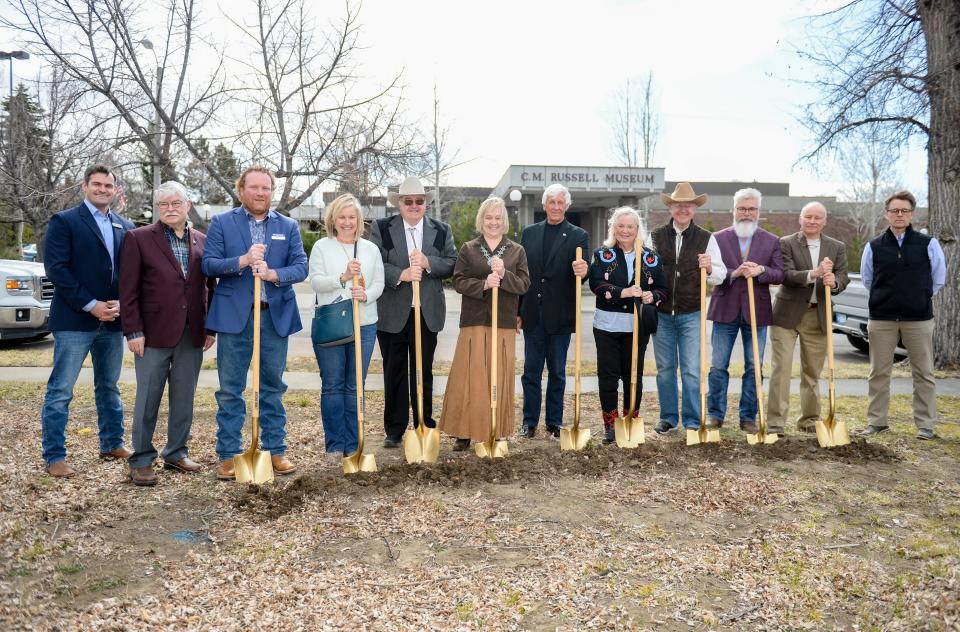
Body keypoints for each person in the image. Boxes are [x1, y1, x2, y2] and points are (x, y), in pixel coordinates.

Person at [202, 166, 308, 480]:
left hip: (273, 317)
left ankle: (275, 450)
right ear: (242, 190)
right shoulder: (222, 222)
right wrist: (243, 261)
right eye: (254, 187)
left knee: (273, 386)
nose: (261, 193)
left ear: (271, 192)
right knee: (231, 389)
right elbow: (208, 264)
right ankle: (229, 453)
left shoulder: (287, 226)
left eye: (266, 188)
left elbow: (301, 267)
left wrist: (275, 274)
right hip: (236, 318)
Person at [118, 181, 217, 486]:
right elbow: (128, 290)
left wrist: (210, 328)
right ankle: (142, 459)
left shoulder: (202, 240)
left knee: (184, 397)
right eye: (164, 204)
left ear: (188, 205)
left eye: (176, 203)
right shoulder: (138, 239)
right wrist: (133, 331)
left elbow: (210, 287)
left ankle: (176, 452)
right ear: (157, 208)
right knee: (148, 398)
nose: (170, 209)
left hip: (192, 333)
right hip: (151, 333)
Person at [40, 165, 135, 478]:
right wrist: (91, 305)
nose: (103, 190)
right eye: (97, 184)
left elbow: (130, 272)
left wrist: (122, 301)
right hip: (74, 321)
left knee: (109, 387)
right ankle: (54, 456)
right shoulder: (64, 221)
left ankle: (112, 443)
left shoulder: (125, 225)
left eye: (108, 185)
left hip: (113, 321)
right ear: (85, 186)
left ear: (115, 190)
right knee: (61, 391)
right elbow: (57, 269)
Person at [369, 176, 457, 448]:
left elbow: (453, 263)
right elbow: (375, 264)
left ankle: (424, 422)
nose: (414, 205)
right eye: (408, 201)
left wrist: (429, 262)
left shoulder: (441, 230)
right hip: (393, 311)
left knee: (423, 370)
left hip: (426, 311)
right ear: (400, 204)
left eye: (419, 201)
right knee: (394, 370)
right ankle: (394, 429)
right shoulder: (382, 229)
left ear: (425, 204)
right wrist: (402, 274)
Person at [439, 197, 530, 450]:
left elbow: (524, 284)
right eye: (489, 217)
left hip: (503, 321)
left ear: (504, 222)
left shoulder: (516, 251)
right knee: (470, 375)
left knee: (499, 375)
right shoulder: (469, 249)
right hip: (474, 320)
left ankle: (496, 429)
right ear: (482, 220)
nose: (493, 222)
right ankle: (464, 431)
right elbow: (458, 281)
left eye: (498, 218)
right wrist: (483, 285)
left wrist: (503, 275)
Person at [859, 191, 946, 440]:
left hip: (918, 319)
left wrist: (917, 297)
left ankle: (926, 425)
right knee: (878, 372)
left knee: (924, 373)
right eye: (894, 210)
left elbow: (938, 279)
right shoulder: (874, 246)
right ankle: (877, 422)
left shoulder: (928, 244)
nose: (899, 215)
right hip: (882, 318)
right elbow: (868, 279)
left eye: (904, 211)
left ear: (912, 214)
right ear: (887, 214)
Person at [308, 194, 384, 463]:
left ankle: (354, 444)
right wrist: (342, 277)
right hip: (331, 323)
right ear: (333, 219)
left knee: (355, 387)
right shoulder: (321, 247)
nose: (347, 222)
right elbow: (316, 282)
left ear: (359, 220)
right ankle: (334, 445)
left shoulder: (370, 249)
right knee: (332, 386)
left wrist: (366, 294)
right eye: (342, 216)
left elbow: (379, 283)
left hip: (363, 324)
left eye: (352, 217)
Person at [705, 187, 785, 433]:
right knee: (718, 366)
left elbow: (780, 273)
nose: (746, 213)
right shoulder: (717, 238)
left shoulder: (771, 241)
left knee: (754, 367)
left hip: (756, 313)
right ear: (734, 210)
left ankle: (748, 417)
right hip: (725, 310)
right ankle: (715, 414)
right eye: (742, 208)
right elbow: (711, 274)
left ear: (759, 212)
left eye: (751, 208)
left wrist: (761, 270)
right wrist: (734, 273)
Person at [766, 202, 849, 436]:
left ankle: (809, 420)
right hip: (787, 315)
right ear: (800, 219)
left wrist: (835, 282)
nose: (812, 221)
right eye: (808, 217)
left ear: (824, 221)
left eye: (817, 218)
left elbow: (843, 276)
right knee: (780, 370)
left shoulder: (837, 246)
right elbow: (786, 274)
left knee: (812, 372)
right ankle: (775, 422)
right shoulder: (786, 243)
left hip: (818, 314)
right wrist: (814, 273)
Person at [650, 182, 726, 435]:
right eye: (677, 205)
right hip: (662, 314)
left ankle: (693, 420)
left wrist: (710, 268)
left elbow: (721, 275)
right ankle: (668, 418)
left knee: (692, 370)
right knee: (665, 370)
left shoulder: (706, 238)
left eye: (688, 205)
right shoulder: (656, 236)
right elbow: (647, 270)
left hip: (692, 313)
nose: (683, 209)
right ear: (671, 207)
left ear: (694, 209)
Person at [589, 207, 668, 444]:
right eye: (620, 226)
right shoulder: (602, 254)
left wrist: (651, 297)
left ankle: (630, 420)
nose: (625, 230)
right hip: (606, 326)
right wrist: (621, 292)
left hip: (636, 327)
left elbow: (663, 289)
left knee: (633, 375)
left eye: (630, 226)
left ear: (637, 229)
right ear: (613, 227)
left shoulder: (650, 257)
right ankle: (611, 425)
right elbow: (595, 284)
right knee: (608, 376)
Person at [518, 183, 589, 439]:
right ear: (544, 205)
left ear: (567, 206)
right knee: (531, 372)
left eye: (561, 202)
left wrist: (584, 270)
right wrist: (518, 310)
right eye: (552, 202)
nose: (556, 207)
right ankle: (529, 422)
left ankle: (554, 422)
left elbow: (585, 270)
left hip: (560, 315)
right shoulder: (529, 233)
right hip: (533, 315)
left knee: (557, 372)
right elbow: (522, 274)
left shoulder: (578, 235)